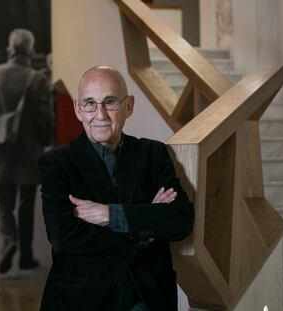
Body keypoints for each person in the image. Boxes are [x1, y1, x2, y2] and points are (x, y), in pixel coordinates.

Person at [38, 65, 194, 310]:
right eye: (89, 103)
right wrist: (144, 231)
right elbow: (63, 237)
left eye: (110, 102)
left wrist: (109, 214)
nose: (100, 114)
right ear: (78, 109)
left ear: (129, 106)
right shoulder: (57, 163)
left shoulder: (153, 154)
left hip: (146, 298)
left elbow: (180, 219)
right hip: (82, 300)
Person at [0, 28, 53, 274]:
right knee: (26, 203)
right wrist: (44, 142)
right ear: (30, 50)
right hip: (29, 153)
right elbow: (45, 119)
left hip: (0, 152)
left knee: (2, 202)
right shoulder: (37, 79)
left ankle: (9, 241)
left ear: (10, 49)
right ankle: (26, 256)